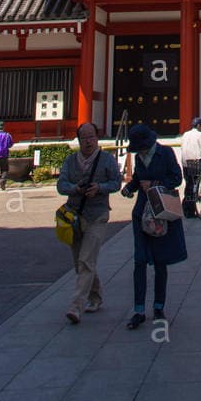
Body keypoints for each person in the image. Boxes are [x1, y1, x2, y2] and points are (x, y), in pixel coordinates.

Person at [121, 123, 187, 327]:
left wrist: (156, 183)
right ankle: (138, 309)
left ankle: (159, 307)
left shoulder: (165, 153)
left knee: (160, 261)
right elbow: (139, 178)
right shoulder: (140, 156)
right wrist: (130, 187)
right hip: (142, 213)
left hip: (161, 211)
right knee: (139, 261)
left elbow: (177, 177)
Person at [57, 123, 122, 324]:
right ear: (78, 140)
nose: (88, 141)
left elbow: (116, 183)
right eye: (84, 138)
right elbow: (61, 185)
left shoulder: (106, 159)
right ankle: (96, 296)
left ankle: (76, 307)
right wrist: (75, 188)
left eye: (92, 137)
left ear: (97, 138)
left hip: (98, 215)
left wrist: (100, 188)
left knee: (86, 260)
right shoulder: (70, 161)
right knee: (80, 262)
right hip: (75, 215)